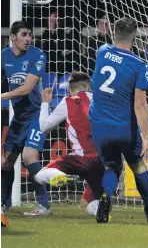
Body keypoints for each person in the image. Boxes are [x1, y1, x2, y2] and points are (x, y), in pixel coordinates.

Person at [89, 17, 148, 223]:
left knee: (111, 167)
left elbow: (116, 72)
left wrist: (147, 86)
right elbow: (140, 104)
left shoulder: (102, 51)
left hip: (99, 126)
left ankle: (106, 196)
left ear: (113, 34)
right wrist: (146, 137)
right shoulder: (139, 65)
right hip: (123, 127)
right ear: (135, 37)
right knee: (138, 166)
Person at [35, 71, 104, 217]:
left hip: (81, 160)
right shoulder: (102, 101)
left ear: (69, 90)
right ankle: (100, 211)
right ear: (89, 87)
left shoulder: (68, 101)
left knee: (40, 175)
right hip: (104, 161)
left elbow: (44, 127)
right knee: (87, 203)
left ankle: (58, 176)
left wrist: (45, 103)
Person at [1, 21, 51, 216]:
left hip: (36, 114)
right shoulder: (3, 56)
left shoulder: (37, 55)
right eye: (24, 34)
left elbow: (27, 88)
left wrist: (1, 96)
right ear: (13, 37)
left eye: (30, 34)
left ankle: (44, 205)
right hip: (19, 117)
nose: (28, 38)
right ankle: (5, 203)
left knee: (29, 156)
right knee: (5, 162)